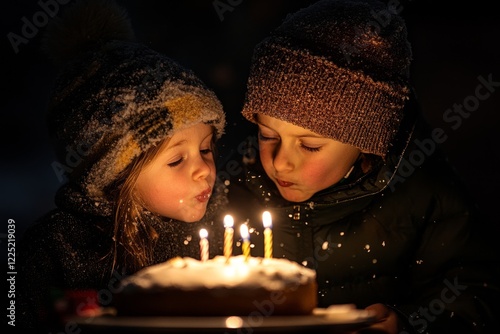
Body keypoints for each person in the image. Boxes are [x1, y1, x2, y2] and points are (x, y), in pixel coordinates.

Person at [226, 0, 500, 333]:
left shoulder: (425, 200)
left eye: (310, 145)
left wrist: (407, 324)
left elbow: (476, 295)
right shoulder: (232, 188)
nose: (281, 161)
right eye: (268, 135)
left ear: (366, 143)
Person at [16, 0, 226, 330]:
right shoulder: (57, 247)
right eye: (176, 160)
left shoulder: (220, 235)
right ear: (113, 172)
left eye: (206, 149)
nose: (204, 170)